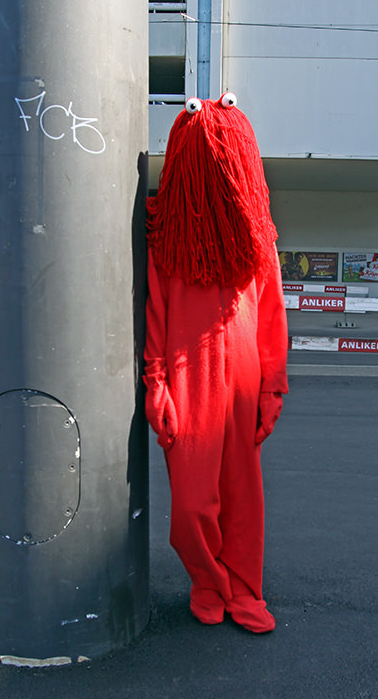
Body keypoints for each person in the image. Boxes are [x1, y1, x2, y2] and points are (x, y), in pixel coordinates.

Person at [144, 95, 288, 634]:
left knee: (242, 497)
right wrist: (156, 380)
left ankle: (244, 588)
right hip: (189, 376)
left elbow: (272, 312)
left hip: (245, 377)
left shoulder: (257, 237)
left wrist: (272, 385)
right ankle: (208, 582)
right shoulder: (169, 239)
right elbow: (156, 311)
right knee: (191, 503)